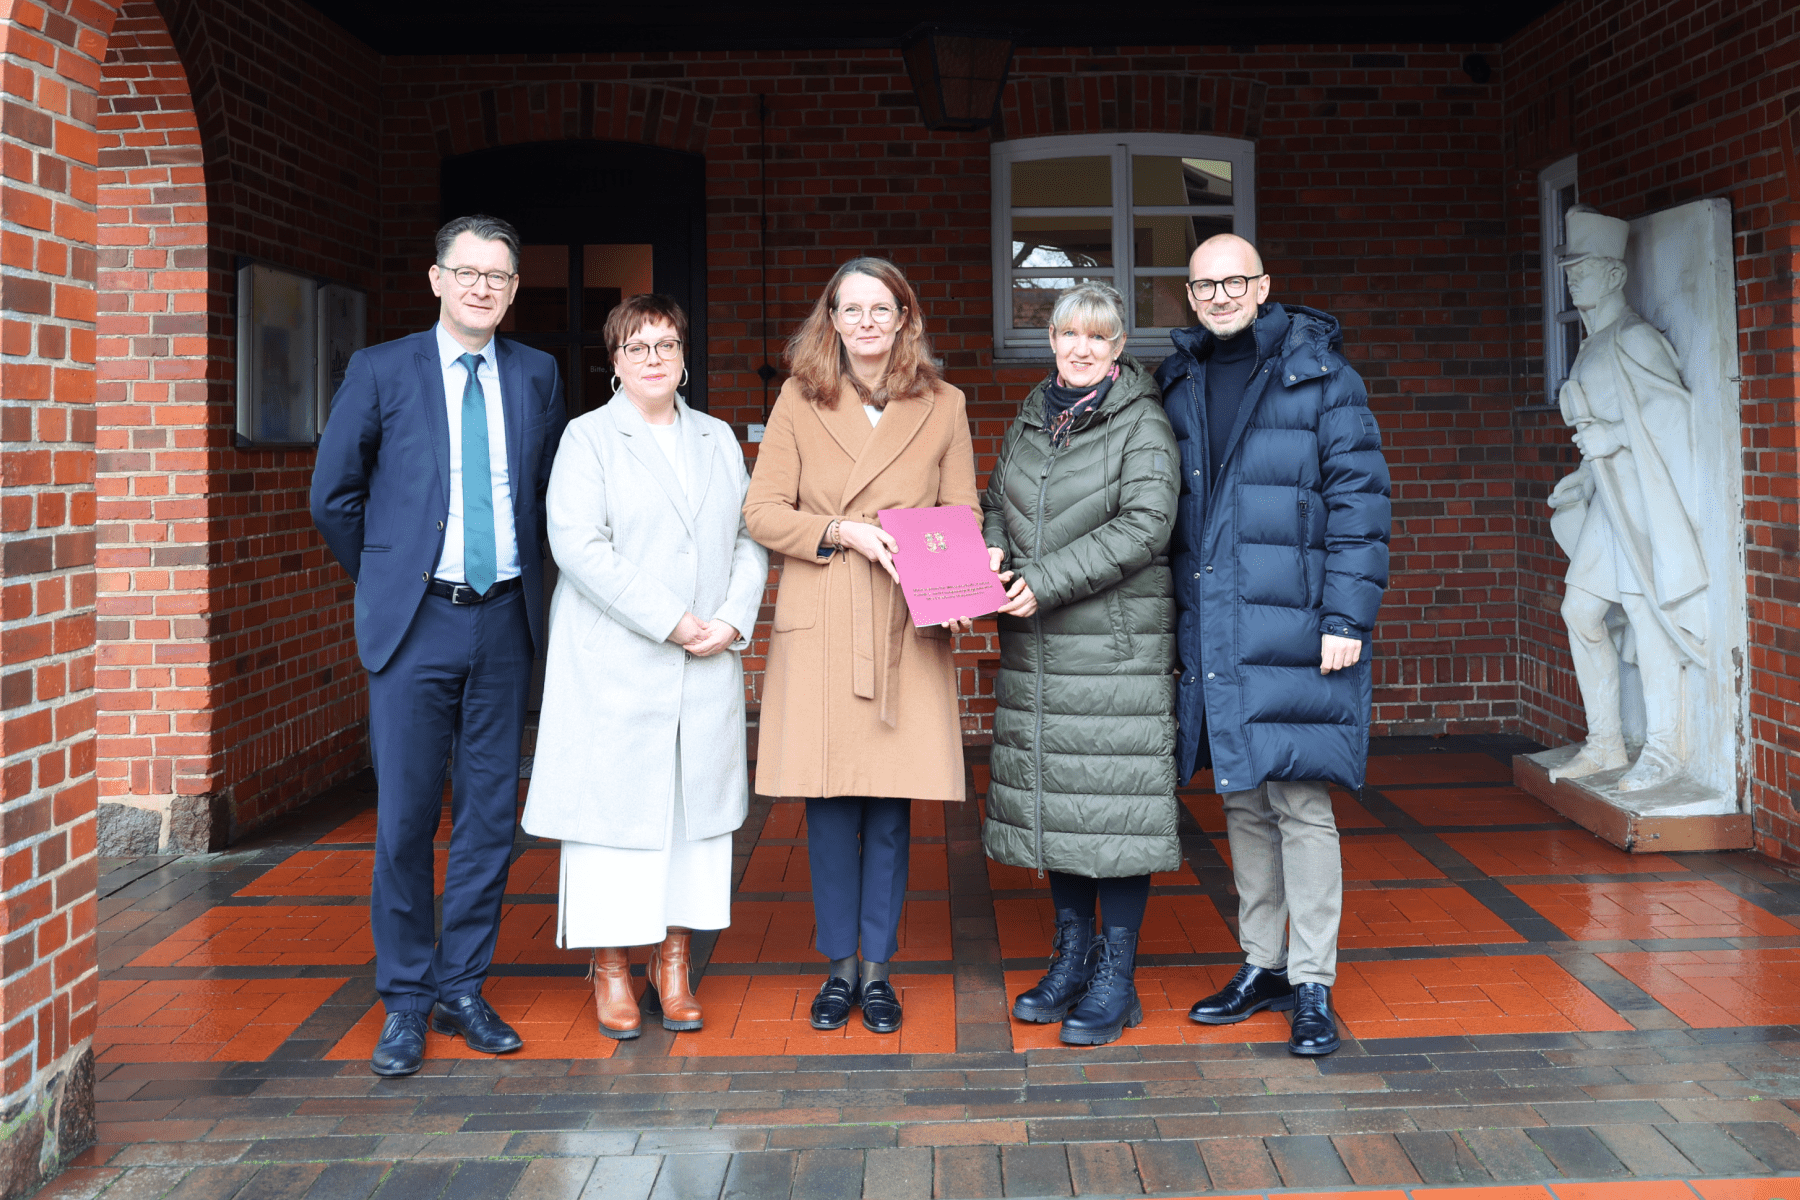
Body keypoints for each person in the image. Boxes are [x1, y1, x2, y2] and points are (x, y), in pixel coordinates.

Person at [311, 214, 569, 1076]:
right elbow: (334, 496)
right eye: (467, 272)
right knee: (408, 819)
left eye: (498, 275)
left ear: (513, 288)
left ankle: (463, 987)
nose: (482, 287)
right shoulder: (382, 369)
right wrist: (391, 576)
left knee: (490, 819)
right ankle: (407, 1001)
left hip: (504, 620)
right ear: (436, 279)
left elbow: (540, 498)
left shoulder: (537, 374)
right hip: (416, 621)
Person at [1156, 233, 1390, 1057]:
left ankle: (1314, 980)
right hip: (1218, 619)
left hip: (1297, 622)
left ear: (1264, 286)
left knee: (1300, 800)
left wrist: (1346, 620)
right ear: (1190, 296)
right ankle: (1264, 963)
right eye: (1204, 285)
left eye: (1235, 282)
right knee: (1244, 800)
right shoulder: (1176, 381)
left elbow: (1361, 505)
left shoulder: (1324, 377)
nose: (1220, 296)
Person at [520, 295, 767, 1039]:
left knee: (692, 820)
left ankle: (673, 962)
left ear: (684, 356)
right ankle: (612, 968)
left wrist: (731, 618)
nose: (654, 358)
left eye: (667, 344)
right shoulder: (588, 438)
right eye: (638, 347)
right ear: (615, 362)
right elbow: (578, 545)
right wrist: (672, 619)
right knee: (611, 825)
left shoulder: (717, 438)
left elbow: (749, 538)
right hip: (619, 664)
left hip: (705, 660)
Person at [744, 257, 977, 1035]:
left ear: (906, 318)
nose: (868, 322)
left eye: (883, 308)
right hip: (826, 607)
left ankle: (878, 972)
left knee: (889, 804)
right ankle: (836, 969)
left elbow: (958, 512)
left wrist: (958, 589)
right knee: (829, 803)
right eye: (853, 309)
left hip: (905, 621)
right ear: (833, 321)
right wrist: (839, 530)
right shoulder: (798, 400)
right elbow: (763, 511)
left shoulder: (944, 405)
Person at [980, 282, 1180, 1046]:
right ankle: (1070, 958)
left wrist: (1047, 582)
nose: (1082, 348)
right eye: (1070, 334)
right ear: (1053, 340)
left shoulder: (1143, 423)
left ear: (1119, 346)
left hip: (1112, 650)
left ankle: (1114, 977)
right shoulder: (1033, 419)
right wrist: (992, 542)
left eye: (1099, 337)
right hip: (1039, 647)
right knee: (1062, 807)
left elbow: (1145, 527)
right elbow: (996, 497)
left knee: (1116, 809)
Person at [1545, 205, 1706, 792]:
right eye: (1570, 269)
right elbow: (1599, 439)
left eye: (1583, 268)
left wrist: (1612, 439)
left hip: (1642, 508)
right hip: (1608, 504)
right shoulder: (1593, 346)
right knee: (1580, 612)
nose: (1573, 278)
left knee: (1647, 615)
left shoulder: (1635, 338)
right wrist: (1584, 479)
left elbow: (1678, 416)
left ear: (1615, 274)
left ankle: (1663, 749)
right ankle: (1607, 742)